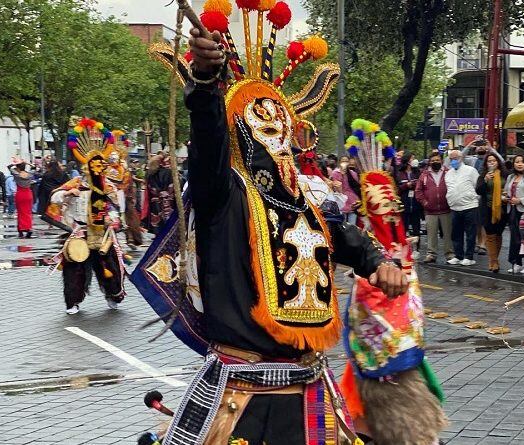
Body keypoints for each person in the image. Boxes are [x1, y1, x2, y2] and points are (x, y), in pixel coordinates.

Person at [132, 17, 408, 444]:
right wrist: (206, 85)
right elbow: (207, 145)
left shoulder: (305, 205)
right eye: (262, 124)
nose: (277, 135)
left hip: (311, 394)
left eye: (282, 122)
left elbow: (342, 236)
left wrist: (378, 262)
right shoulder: (223, 198)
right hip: (243, 400)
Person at [340, 120, 447, 445]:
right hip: (380, 361)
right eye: (382, 206)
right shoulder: (368, 246)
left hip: (397, 357)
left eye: (392, 206)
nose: (389, 212)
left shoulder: (396, 247)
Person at [49, 118, 124, 314]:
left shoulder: (106, 186)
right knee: (74, 269)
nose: (96, 170)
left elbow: (116, 206)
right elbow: (55, 198)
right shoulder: (75, 183)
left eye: (100, 166)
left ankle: (112, 295)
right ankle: (73, 301)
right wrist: (67, 193)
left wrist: (112, 219)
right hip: (80, 231)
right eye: (93, 166)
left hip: (101, 232)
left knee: (108, 266)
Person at [415, 151, 454, 264]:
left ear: (441, 161)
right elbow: (418, 191)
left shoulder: (448, 172)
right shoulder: (424, 175)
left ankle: (450, 254)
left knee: (448, 234)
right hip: (430, 211)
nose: (435, 162)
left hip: (446, 209)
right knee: (431, 234)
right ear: (429, 162)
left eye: (437, 160)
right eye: (432, 161)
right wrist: (425, 203)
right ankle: (431, 254)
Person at [445, 149, 480, 266]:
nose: (453, 161)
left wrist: (473, 198)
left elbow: (478, 186)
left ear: (461, 158)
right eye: (451, 159)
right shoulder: (448, 174)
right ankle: (458, 255)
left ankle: (469, 256)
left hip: (470, 206)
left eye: (455, 158)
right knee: (456, 233)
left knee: (470, 233)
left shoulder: (471, 171)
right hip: (455, 207)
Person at [475, 150, 506, 272]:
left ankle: (495, 259)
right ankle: (493, 261)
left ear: (498, 162)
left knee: (498, 234)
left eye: (494, 161)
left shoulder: (505, 175)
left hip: (501, 209)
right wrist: (486, 180)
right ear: (486, 163)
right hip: (487, 209)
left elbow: (509, 187)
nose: (492, 163)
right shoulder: (482, 176)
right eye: (489, 161)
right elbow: (478, 190)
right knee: (490, 234)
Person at [395, 153, 422, 251]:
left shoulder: (417, 172)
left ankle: (416, 249)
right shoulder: (399, 173)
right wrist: (406, 185)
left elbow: (421, 184)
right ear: (407, 161)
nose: (414, 160)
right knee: (403, 228)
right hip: (404, 204)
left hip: (415, 204)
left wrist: (414, 184)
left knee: (416, 228)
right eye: (412, 158)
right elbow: (396, 189)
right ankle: (403, 248)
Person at [144, 154, 175, 234]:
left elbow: (150, 187)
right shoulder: (169, 172)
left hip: (156, 199)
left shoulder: (150, 174)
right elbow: (173, 185)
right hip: (167, 199)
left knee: (157, 217)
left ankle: (157, 232)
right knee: (167, 216)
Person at [8, 157, 35, 238]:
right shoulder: (30, 174)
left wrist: (15, 164)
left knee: (20, 212)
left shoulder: (17, 175)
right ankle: (29, 228)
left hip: (20, 194)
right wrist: (27, 163)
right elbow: (35, 168)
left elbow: (9, 167)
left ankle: (21, 229)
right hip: (28, 194)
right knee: (28, 212)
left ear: (18, 167)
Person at [330, 155, 361, 225]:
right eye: (343, 161)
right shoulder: (335, 173)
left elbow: (356, 186)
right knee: (342, 225)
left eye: (346, 161)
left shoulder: (353, 173)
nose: (345, 163)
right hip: (341, 201)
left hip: (352, 202)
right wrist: (342, 174)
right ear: (339, 162)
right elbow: (336, 187)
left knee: (352, 226)